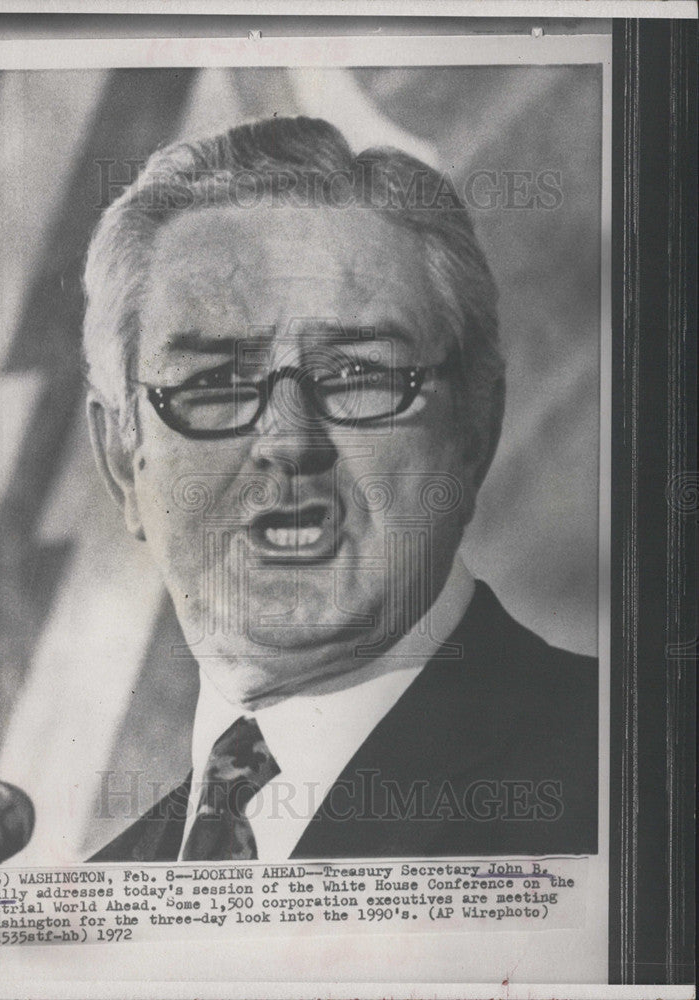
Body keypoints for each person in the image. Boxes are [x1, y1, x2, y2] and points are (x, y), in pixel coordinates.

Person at [83, 116, 597, 862]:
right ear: (123, 461)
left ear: (474, 430)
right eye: (215, 384)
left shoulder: (639, 779)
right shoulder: (101, 905)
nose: (289, 442)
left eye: (358, 376)